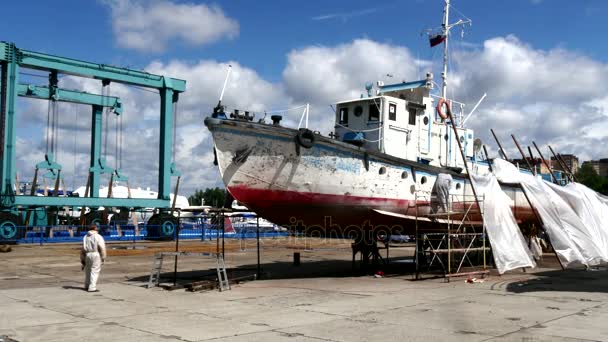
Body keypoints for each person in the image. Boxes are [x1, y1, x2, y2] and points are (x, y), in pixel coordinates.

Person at [80, 223, 107, 292]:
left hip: (87, 254)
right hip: (95, 254)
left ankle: (87, 285)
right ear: (95, 228)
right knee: (95, 271)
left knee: (88, 270)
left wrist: (82, 260)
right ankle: (92, 287)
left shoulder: (85, 237)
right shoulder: (98, 236)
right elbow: (102, 247)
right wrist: (103, 257)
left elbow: (83, 249)